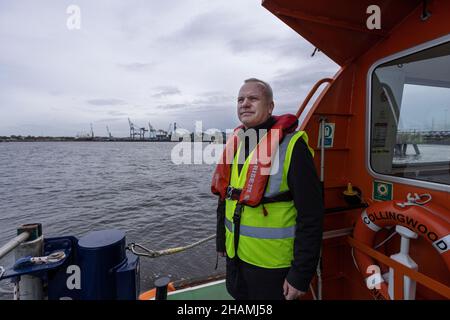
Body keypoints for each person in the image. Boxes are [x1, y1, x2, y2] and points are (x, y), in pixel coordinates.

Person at [211, 78, 324, 300]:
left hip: (273, 266)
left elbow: (312, 215)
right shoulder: (237, 144)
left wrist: (300, 273)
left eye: (253, 98)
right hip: (236, 257)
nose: (245, 103)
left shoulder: (292, 147)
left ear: (270, 107)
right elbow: (226, 196)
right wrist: (221, 239)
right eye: (240, 99)